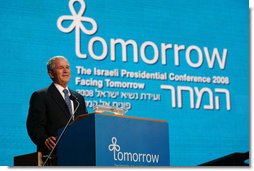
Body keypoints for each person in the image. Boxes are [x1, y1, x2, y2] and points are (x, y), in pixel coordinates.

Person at [26, 56, 88, 165]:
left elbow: (85, 125)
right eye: (61, 68)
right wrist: (45, 140)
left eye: (67, 67)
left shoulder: (78, 98)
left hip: (79, 155)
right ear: (51, 73)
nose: (65, 71)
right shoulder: (41, 96)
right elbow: (34, 126)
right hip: (54, 156)